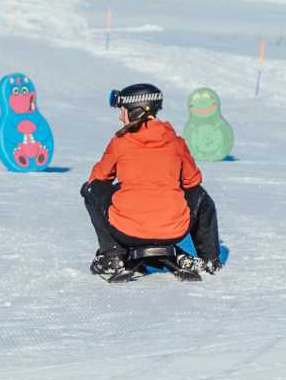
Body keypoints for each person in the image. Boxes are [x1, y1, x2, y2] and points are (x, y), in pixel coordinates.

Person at [81, 84, 220, 277]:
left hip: (126, 230)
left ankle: (113, 253)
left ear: (135, 111)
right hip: (174, 230)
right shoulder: (176, 143)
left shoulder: (120, 143)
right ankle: (209, 259)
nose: (120, 117)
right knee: (200, 195)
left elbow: (97, 179)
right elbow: (192, 181)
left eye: (123, 111)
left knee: (90, 190)